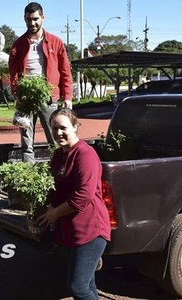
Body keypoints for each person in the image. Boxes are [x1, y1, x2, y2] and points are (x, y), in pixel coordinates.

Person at [38, 108, 111, 300]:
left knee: (78, 287)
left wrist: (55, 213)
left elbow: (83, 195)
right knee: (88, 284)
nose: (58, 133)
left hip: (90, 230)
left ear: (75, 127)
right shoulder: (59, 155)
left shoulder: (85, 154)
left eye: (63, 128)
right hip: (69, 230)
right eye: (54, 128)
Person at [9, 1, 73, 164]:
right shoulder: (18, 45)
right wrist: (17, 93)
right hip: (25, 99)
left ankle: (59, 170)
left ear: (43, 17)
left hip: (48, 97)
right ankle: (29, 172)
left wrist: (68, 97)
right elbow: (14, 73)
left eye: (36, 19)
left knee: (55, 138)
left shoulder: (56, 42)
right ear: (24, 19)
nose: (32, 23)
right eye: (29, 19)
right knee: (26, 140)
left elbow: (65, 71)